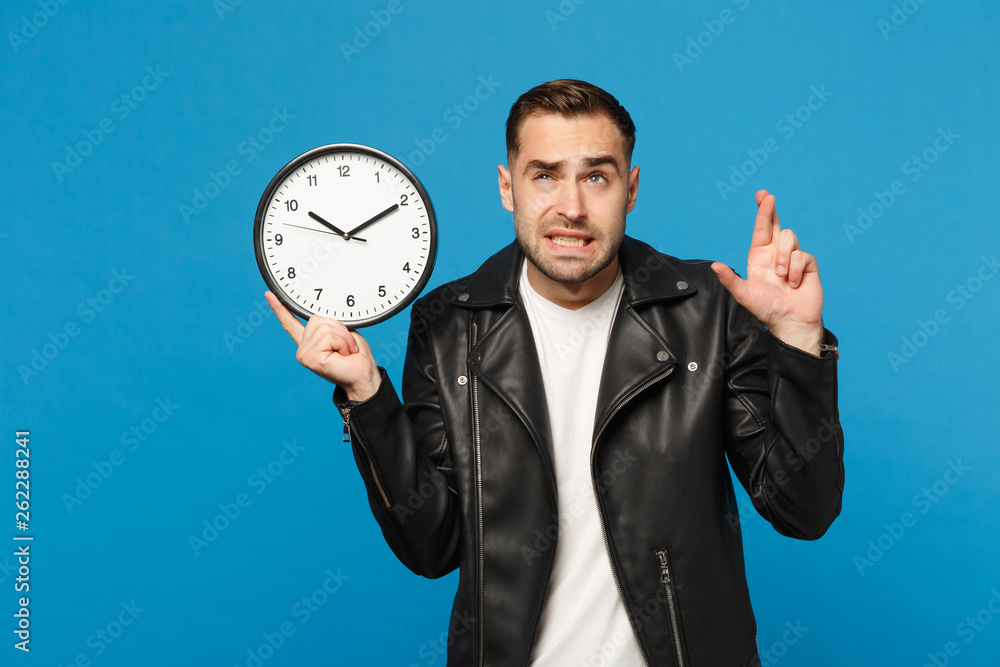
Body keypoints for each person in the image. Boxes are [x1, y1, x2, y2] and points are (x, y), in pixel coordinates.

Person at [266, 79, 844, 666]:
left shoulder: (706, 309)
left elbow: (804, 509)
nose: (571, 206)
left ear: (632, 189)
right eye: (544, 175)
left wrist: (796, 342)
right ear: (506, 187)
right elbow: (432, 547)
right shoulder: (448, 325)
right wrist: (367, 396)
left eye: (597, 176)